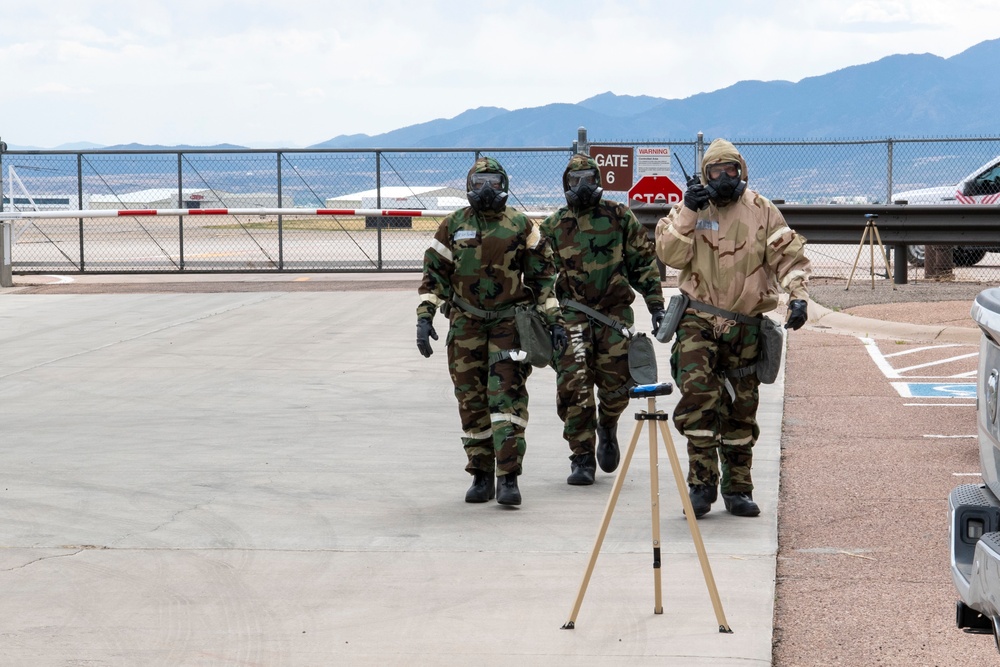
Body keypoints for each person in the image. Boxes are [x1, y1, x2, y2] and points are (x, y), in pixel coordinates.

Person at [654, 138, 811, 518]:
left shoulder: (761, 210)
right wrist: (690, 210)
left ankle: (738, 488)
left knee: (742, 407)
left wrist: (799, 295)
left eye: (730, 171)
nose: (723, 178)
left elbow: (788, 256)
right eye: (715, 171)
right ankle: (701, 483)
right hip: (698, 318)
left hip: (745, 323)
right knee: (699, 397)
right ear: (704, 174)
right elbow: (668, 255)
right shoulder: (689, 208)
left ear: (741, 171)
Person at [416, 156, 567, 507]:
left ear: (506, 186)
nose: (487, 190)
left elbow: (544, 279)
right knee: (471, 399)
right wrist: (424, 317)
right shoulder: (452, 225)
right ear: (469, 186)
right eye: (480, 183)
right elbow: (434, 275)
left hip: (509, 324)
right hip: (465, 323)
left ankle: (508, 477)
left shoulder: (522, 226)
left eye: (495, 184)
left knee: (506, 398)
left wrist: (555, 321)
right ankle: (481, 474)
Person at [541, 153, 665, 486]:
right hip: (572, 317)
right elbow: (539, 276)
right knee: (575, 386)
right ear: (565, 185)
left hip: (613, 317)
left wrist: (656, 305)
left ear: (599, 181)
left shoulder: (619, 216)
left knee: (618, 387)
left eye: (588, 179)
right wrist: (542, 318)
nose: (582, 187)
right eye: (575, 181)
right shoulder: (553, 225)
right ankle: (581, 457)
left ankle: (607, 425)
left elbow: (642, 262)